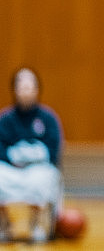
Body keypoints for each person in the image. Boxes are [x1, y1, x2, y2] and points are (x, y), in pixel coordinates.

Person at [0, 67, 63, 243]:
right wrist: (15, 159)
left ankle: (38, 224)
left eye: (30, 86)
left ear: (37, 89)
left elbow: (53, 151)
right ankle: (4, 224)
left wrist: (33, 157)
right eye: (21, 85)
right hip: (12, 170)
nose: (26, 90)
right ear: (14, 89)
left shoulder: (48, 119)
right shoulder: (5, 120)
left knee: (43, 177)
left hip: (37, 170)